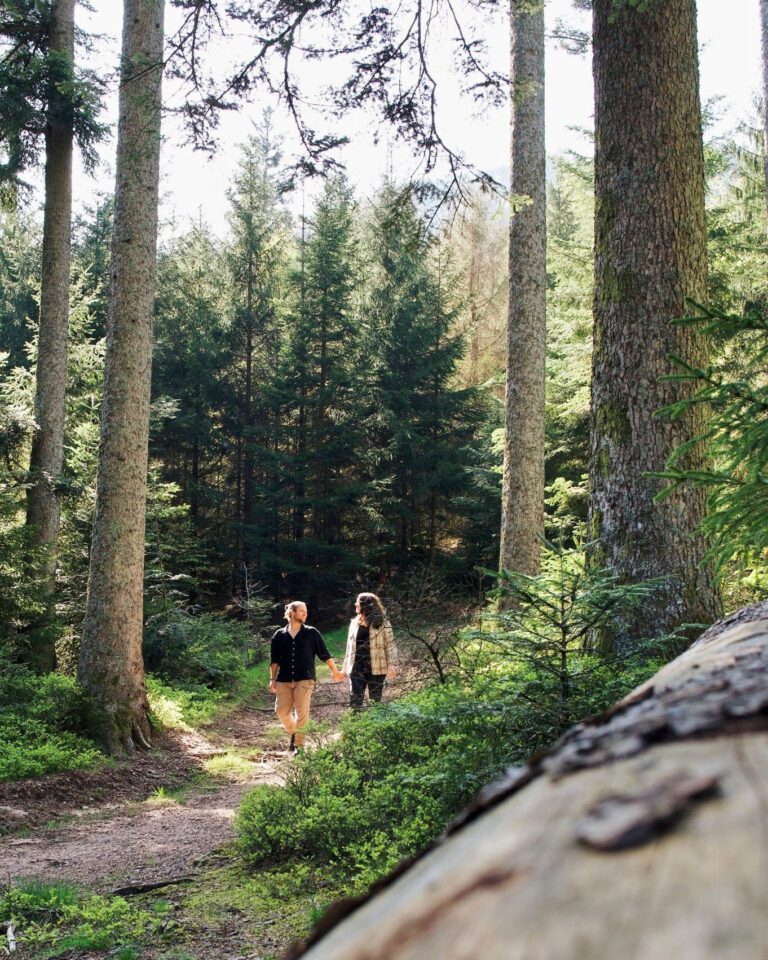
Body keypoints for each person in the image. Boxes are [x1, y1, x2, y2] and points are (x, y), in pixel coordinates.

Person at [269, 601, 344, 751]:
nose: (305, 613)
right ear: (292, 613)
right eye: (302, 611)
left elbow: (325, 654)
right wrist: (272, 679)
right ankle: (294, 732)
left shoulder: (311, 633)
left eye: (306, 611)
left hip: (305, 679)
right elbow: (274, 660)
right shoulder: (279, 635)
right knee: (281, 711)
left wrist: (335, 671)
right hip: (283, 679)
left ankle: (299, 746)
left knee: (301, 714)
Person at [341, 592, 398, 709]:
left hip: (377, 667)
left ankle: (374, 725)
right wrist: (344, 668)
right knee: (355, 699)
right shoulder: (354, 623)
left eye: (358, 602)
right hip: (357, 667)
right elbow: (349, 647)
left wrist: (392, 665)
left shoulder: (383, 623)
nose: (355, 604)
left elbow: (391, 645)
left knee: (375, 700)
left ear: (365, 605)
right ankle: (354, 723)